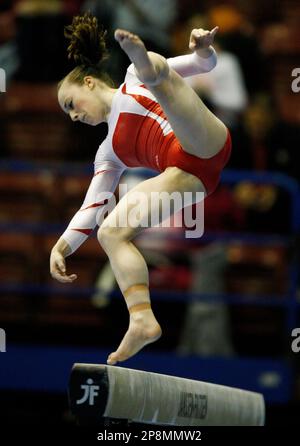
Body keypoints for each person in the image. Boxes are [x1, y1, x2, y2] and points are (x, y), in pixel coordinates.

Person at [50, 12, 232, 365]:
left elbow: (202, 64)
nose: (73, 116)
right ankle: (142, 319)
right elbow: (93, 204)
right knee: (111, 232)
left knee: (153, 75)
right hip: (188, 176)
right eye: (67, 114)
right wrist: (61, 246)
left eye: (70, 104)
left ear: (89, 82)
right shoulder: (108, 152)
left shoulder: (132, 82)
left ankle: (144, 55)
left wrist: (204, 49)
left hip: (204, 140)